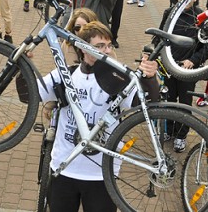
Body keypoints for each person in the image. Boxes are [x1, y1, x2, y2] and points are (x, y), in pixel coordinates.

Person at [38, 21, 157, 212]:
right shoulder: (65, 74)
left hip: (101, 176)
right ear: (82, 48)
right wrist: (23, 69)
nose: (107, 51)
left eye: (109, 45)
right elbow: (29, 94)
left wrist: (151, 78)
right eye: (99, 46)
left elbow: (148, 106)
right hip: (63, 169)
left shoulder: (118, 78)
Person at [155, 0, 208, 153]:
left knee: (184, 104)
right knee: (168, 101)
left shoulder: (202, 17)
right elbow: (159, 37)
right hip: (168, 66)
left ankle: (181, 136)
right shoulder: (169, 13)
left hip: (187, 70)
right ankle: (168, 130)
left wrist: (193, 60)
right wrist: (153, 55)